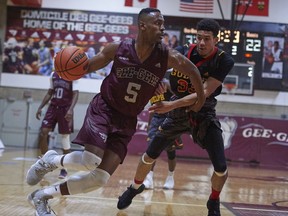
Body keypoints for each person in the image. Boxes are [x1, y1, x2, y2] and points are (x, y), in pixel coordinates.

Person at [25, 8, 205, 216]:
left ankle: (42, 196)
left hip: (127, 119)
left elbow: (192, 71)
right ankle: (51, 161)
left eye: (163, 23)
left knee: (99, 178)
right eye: (158, 23)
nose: (162, 27)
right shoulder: (117, 49)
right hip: (104, 109)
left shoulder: (166, 56)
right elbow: (84, 68)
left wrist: (200, 99)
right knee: (90, 160)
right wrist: (66, 65)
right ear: (143, 26)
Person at [117, 18, 235, 216]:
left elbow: (204, 92)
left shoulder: (224, 60)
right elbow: (154, 70)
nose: (202, 43)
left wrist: (171, 104)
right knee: (149, 154)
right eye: (199, 38)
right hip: (177, 114)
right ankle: (135, 187)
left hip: (203, 114)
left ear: (216, 39)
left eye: (207, 39)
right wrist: (157, 82)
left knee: (221, 167)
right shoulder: (181, 52)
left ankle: (214, 200)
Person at [35, 71, 79, 179]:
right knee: (43, 133)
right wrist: (40, 107)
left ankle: (64, 169)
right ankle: (45, 163)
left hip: (65, 108)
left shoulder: (73, 74)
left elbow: (76, 93)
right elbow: (50, 92)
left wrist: (71, 109)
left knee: (65, 137)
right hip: (53, 107)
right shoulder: (53, 74)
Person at [143, 76, 183, 190]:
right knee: (151, 148)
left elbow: (180, 98)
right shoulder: (149, 87)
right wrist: (149, 125)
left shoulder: (167, 84)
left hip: (171, 118)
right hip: (157, 117)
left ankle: (170, 177)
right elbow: (153, 107)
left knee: (171, 151)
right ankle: (149, 178)